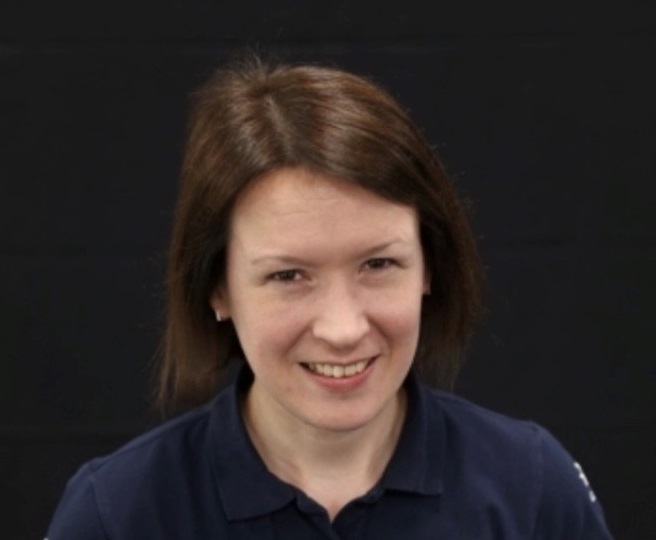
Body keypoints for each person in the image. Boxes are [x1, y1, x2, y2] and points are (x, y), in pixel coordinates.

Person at [46, 58, 613, 539]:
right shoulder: (116, 515)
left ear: (429, 268)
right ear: (217, 289)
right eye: (289, 275)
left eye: (379, 264)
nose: (343, 329)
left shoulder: (533, 489)